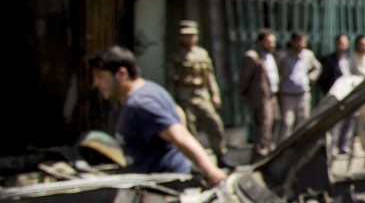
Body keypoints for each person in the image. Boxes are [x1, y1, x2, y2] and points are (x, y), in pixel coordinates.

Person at [91, 45, 226, 185]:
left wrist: (212, 172)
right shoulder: (151, 89)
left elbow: (179, 135)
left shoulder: (141, 103)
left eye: (100, 77)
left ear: (122, 74)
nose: (96, 84)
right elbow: (178, 112)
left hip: (165, 190)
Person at [167, 20, 234, 169]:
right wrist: (172, 101)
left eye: (191, 35)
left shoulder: (202, 54)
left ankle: (221, 155)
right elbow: (170, 80)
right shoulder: (176, 56)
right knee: (190, 129)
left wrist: (215, 95)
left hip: (201, 94)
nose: (189, 38)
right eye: (185, 36)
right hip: (184, 95)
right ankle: (195, 163)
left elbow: (209, 77)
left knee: (215, 124)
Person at [239, 28, 280, 158]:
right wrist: (248, 95)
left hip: (273, 96)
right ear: (261, 42)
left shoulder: (271, 57)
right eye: (268, 42)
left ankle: (269, 150)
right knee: (264, 126)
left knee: (275, 123)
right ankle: (260, 156)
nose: (272, 45)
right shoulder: (253, 57)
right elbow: (244, 78)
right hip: (261, 98)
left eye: (273, 42)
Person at [276, 31, 322, 142]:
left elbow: (318, 67)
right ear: (293, 42)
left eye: (304, 42)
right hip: (287, 95)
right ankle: (284, 148)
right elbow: (277, 71)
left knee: (303, 122)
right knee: (287, 122)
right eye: (300, 42)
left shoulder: (308, 55)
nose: (302, 45)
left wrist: (310, 78)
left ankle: (301, 147)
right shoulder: (284, 56)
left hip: (303, 94)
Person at [318, 33, 356, 156]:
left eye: (345, 43)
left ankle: (344, 146)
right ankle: (333, 148)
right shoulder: (328, 60)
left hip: (349, 95)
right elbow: (323, 80)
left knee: (349, 121)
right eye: (340, 43)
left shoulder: (350, 59)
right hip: (335, 96)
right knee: (335, 122)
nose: (342, 46)